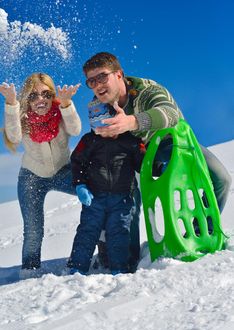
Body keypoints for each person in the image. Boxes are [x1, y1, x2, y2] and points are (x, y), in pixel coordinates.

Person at [82, 51, 232, 271]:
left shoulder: (147, 90)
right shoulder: (98, 106)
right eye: (91, 81)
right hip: (137, 153)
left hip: (172, 143)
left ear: (119, 75)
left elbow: (169, 113)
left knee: (221, 178)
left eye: (102, 77)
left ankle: (200, 232)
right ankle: (126, 258)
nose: (97, 85)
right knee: (127, 197)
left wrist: (132, 121)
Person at [0, 73, 82, 278]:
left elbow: (76, 128)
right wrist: (11, 103)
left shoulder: (61, 110)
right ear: (27, 98)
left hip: (64, 171)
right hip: (32, 177)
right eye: (34, 95)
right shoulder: (23, 116)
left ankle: (99, 249)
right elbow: (14, 136)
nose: (40, 100)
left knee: (97, 198)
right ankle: (29, 271)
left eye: (46, 94)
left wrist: (67, 104)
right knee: (33, 228)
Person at [67, 100, 146, 275]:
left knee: (119, 232)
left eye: (107, 127)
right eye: (98, 129)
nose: (104, 133)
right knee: (87, 231)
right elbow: (77, 161)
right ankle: (77, 267)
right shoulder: (89, 141)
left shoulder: (131, 141)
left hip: (122, 197)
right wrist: (80, 185)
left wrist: (155, 165)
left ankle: (119, 269)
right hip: (94, 197)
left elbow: (143, 164)